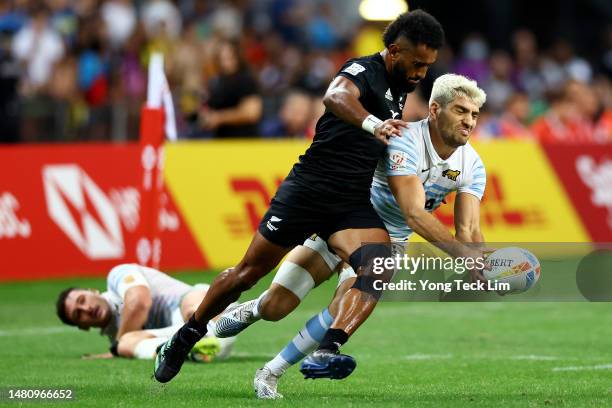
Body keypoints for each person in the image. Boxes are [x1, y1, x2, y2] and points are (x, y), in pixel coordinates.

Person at [153, 10, 447, 384]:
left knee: (378, 267)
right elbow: (335, 96)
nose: (422, 72)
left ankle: (329, 348)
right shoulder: (363, 70)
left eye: (428, 65)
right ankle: (187, 334)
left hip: (350, 203)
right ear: (393, 51)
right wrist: (375, 124)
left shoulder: (401, 85)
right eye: (418, 63)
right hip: (308, 191)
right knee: (247, 274)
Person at [213, 73, 488, 398]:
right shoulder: (404, 140)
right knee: (278, 306)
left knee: (342, 305)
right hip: (347, 221)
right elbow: (414, 213)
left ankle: (270, 372)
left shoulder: (472, 165)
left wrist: (482, 265)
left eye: (473, 114)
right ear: (434, 110)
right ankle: (255, 308)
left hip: (389, 244)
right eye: (460, 111)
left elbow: (469, 229)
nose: (469, 121)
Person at [56, 264, 236, 361]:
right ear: (83, 327)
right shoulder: (118, 337)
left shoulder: (117, 276)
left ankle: (205, 335)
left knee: (191, 306)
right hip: (184, 332)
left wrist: (117, 348)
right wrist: (120, 346)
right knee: (128, 343)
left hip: (200, 305)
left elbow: (138, 302)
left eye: (82, 300)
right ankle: (191, 351)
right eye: (78, 314)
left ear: (92, 291)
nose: (87, 308)